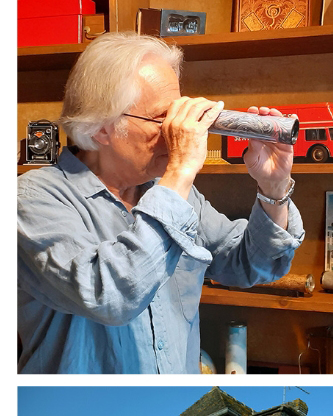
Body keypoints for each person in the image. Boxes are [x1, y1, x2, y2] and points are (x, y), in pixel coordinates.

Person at [17, 31, 304, 373]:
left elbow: (250, 264)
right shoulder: (31, 200)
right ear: (101, 127)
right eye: (161, 118)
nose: (175, 131)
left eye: (177, 115)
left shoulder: (172, 193)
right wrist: (181, 171)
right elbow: (110, 295)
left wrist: (273, 186)